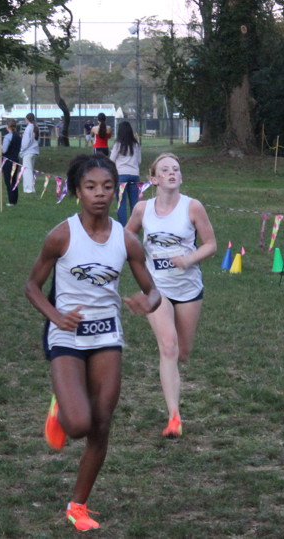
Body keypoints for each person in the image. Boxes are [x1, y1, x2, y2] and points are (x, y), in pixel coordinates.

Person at [25, 154, 161, 532]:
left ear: (116, 191)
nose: (100, 194)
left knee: (101, 424)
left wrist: (147, 302)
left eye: (107, 186)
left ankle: (78, 506)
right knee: (79, 424)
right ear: (77, 192)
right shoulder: (61, 236)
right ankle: (62, 410)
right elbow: (32, 286)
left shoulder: (127, 240)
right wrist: (55, 316)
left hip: (106, 335)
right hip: (67, 334)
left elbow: (153, 291)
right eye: (90, 187)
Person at [125, 153, 217, 438]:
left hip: (188, 289)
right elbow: (127, 237)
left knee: (182, 352)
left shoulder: (193, 207)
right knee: (168, 346)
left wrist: (189, 259)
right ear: (154, 179)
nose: (172, 173)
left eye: (176, 169)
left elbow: (211, 244)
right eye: (165, 170)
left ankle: (174, 405)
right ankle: (174, 416)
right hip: (157, 289)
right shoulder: (142, 209)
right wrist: (135, 258)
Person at [109, 121, 141, 226]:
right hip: (134, 175)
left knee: (121, 203)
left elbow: (111, 160)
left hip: (121, 175)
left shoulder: (118, 144)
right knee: (134, 203)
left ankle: (122, 227)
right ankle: (134, 227)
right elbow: (139, 160)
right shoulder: (136, 144)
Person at [0, 118, 22, 206]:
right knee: (14, 180)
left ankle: (11, 201)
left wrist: (0, 147)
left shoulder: (7, 137)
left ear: (7, 126)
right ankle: (14, 200)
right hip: (15, 160)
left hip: (8, 160)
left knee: (8, 181)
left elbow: (4, 150)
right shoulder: (18, 137)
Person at [20, 112, 40, 194]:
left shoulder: (28, 128)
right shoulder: (36, 128)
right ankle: (31, 188)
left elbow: (26, 142)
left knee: (27, 171)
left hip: (28, 152)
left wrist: (22, 149)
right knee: (30, 171)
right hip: (34, 151)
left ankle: (29, 189)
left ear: (27, 119)